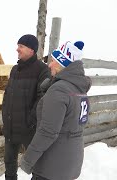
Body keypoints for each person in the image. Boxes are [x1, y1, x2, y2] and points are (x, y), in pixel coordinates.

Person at [20, 41, 92, 180]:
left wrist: (27, 160)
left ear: (63, 64)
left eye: (53, 61)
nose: (50, 64)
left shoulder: (59, 90)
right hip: (71, 163)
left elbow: (48, 132)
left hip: (51, 167)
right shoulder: (79, 89)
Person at [2, 34, 50, 180]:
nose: (17, 49)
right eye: (18, 46)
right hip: (10, 126)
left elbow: (42, 99)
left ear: (31, 50)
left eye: (21, 46)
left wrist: (30, 120)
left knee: (35, 164)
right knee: (9, 162)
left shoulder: (42, 70)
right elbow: (8, 94)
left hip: (29, 129)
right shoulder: (15, 70)